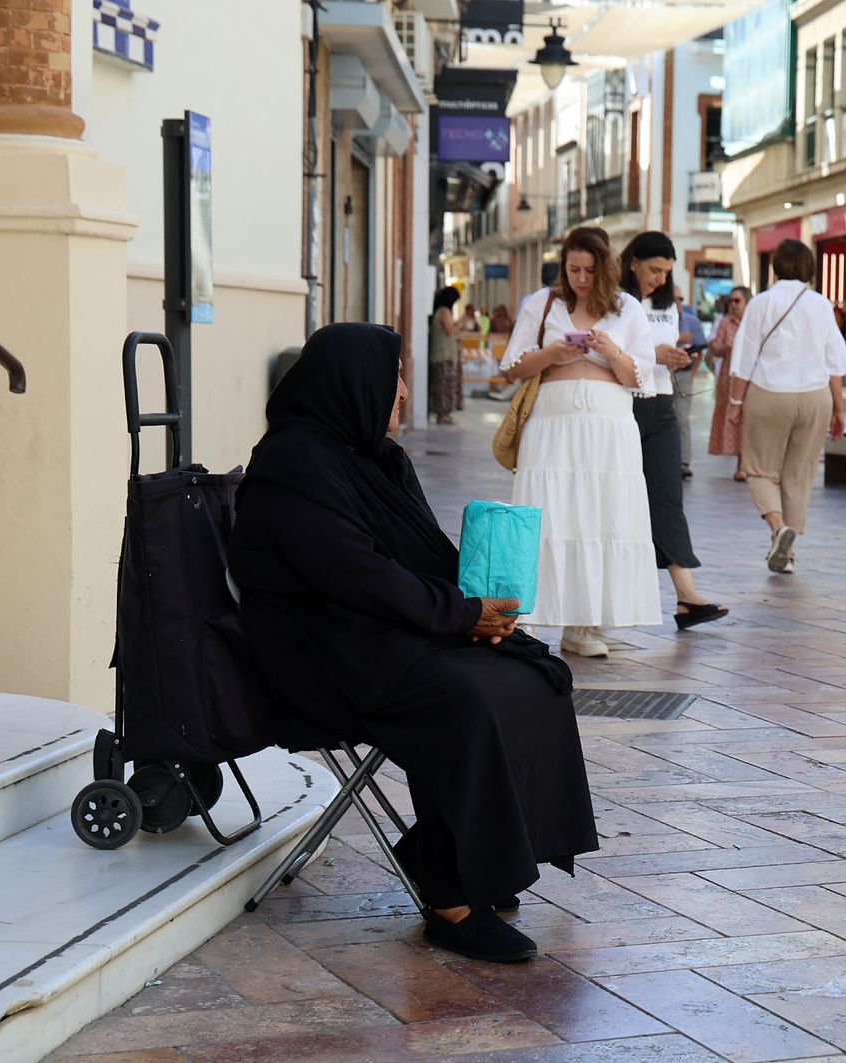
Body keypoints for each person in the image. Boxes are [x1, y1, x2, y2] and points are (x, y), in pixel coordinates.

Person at [228, 323, 599, 963]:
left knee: (529, 679)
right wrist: (459, 616)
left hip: (381, 635)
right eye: (394, 378)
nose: (402, 393)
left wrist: (482, 614)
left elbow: (422, 555)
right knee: (466, 699)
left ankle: (484, 862)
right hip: (325, 656)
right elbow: (356, 575)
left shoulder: (373, 456)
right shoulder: (291, 466)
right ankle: (449, 899)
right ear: (351, 384)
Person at [501, 227, 663, 658]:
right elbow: (513, 367)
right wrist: (555, 354)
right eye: (573, 269)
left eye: (590, 270)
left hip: (610, 427)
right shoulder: (544, 303)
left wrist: (611, 351)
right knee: (550, 516)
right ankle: (530, 617)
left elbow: (642, 379)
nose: (581, 278)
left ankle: (584, 623)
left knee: (600, 517)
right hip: (553, 424)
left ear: (604, 266)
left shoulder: (627, 308)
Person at [619, 232, 728, 630]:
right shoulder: (614, 300)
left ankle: (687, 596)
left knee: (668, 499)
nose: (660, 280)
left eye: (666, 272)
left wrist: (677, 356)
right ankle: (611, 602)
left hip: (661, 404)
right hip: (622, 406)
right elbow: (603, 353)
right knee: (620, 505)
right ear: (633, 263)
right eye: (654, 270)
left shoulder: (669, 305)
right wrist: (653, 355)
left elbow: (659, 355)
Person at [728, 239, 846, 573]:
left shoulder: (761, 303)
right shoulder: (822, 304)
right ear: (809, 267)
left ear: (776, 266)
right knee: (798, 476)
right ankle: (788, 552)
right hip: (815, 397)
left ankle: (779, 529)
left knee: (759, 469)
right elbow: (835, 362)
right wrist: (839, 410)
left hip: (769, 392)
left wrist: (736, 401)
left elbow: (745, 358)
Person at [707, 285, 750, 479]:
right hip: (729, 377)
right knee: (733, 417)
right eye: (730, 301)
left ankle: (747, 463)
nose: (733, 305)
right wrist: (725, 348)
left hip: (751, 376)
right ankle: (741, 464)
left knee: (750, 418)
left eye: (737, 300)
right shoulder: (725, 322)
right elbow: (714, 347)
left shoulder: (754, 322)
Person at [674, 285, 708, 478]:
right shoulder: (658, 320)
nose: (677, 303)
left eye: (680, 298)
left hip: (683, 374)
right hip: (660, 373)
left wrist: (692, 374)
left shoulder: (691, 321)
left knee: (682, 417)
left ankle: (684, 461)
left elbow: (700, 351)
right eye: (674, 299)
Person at [428, 287, 462, 425]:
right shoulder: (444, 312)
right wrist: (461, 323)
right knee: (443, 386)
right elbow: (450, 330)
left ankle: (444, 414)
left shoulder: (439, 311)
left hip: (441, 355)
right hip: (443, 355)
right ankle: (443, 414)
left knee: (443, 385)